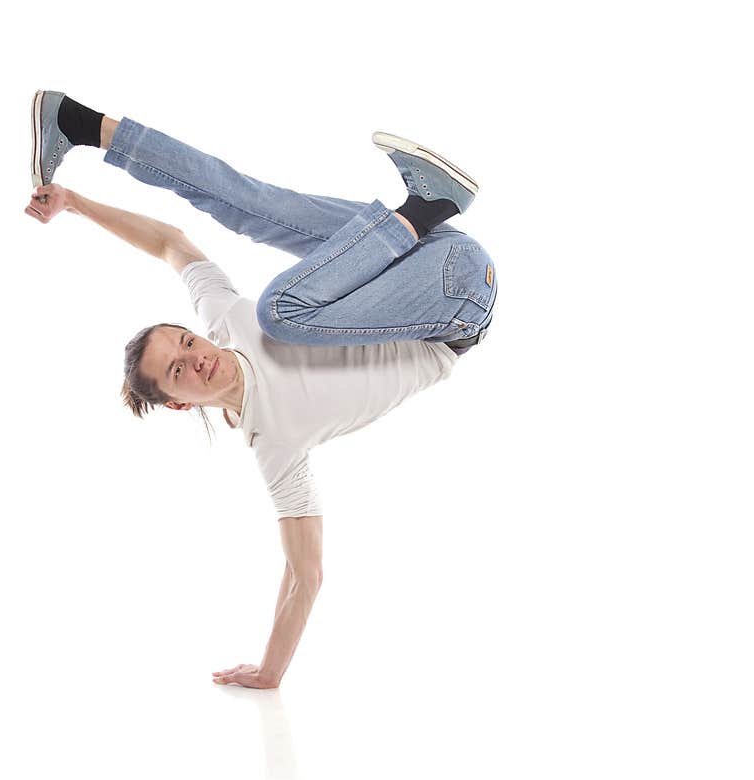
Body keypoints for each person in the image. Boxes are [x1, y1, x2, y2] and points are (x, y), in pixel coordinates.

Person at [25, 90, 497, 689]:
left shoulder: (224, 319)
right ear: (179, 403)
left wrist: (74, 203)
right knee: (280, 312)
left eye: (187, 343)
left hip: (414, 249)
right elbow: (306, 574)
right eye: (178, 372)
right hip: (453, 302)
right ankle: (425, 206)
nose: (197, 359)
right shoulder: (276, 443)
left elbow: (171, 243)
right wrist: (272, 670)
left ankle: (76, 122)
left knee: (244, 203)